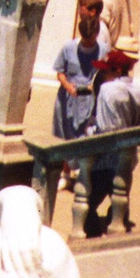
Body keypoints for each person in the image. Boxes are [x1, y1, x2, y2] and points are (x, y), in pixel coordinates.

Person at [85, 48, 140, 235]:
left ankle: (93, 236)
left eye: (105, 70)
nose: (102, 74)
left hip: (106, 157)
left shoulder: (107, 89)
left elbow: (104, 129)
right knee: (120, 197)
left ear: (116, 70)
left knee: (89, 201)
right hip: (128, 156)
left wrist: (89, 131)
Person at [51, 13, 107, 192]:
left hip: (90, 100)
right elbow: (59, 71)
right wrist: (68, 86)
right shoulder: (68, 47)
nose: (86, 44)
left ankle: (83, 174)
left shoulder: (103, 50)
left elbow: (106, 74)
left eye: (90, 41)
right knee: (65, 134)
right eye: (84, 40)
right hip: (68, 97)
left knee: (85, 135)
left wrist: (95, 86)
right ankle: (65, 173)